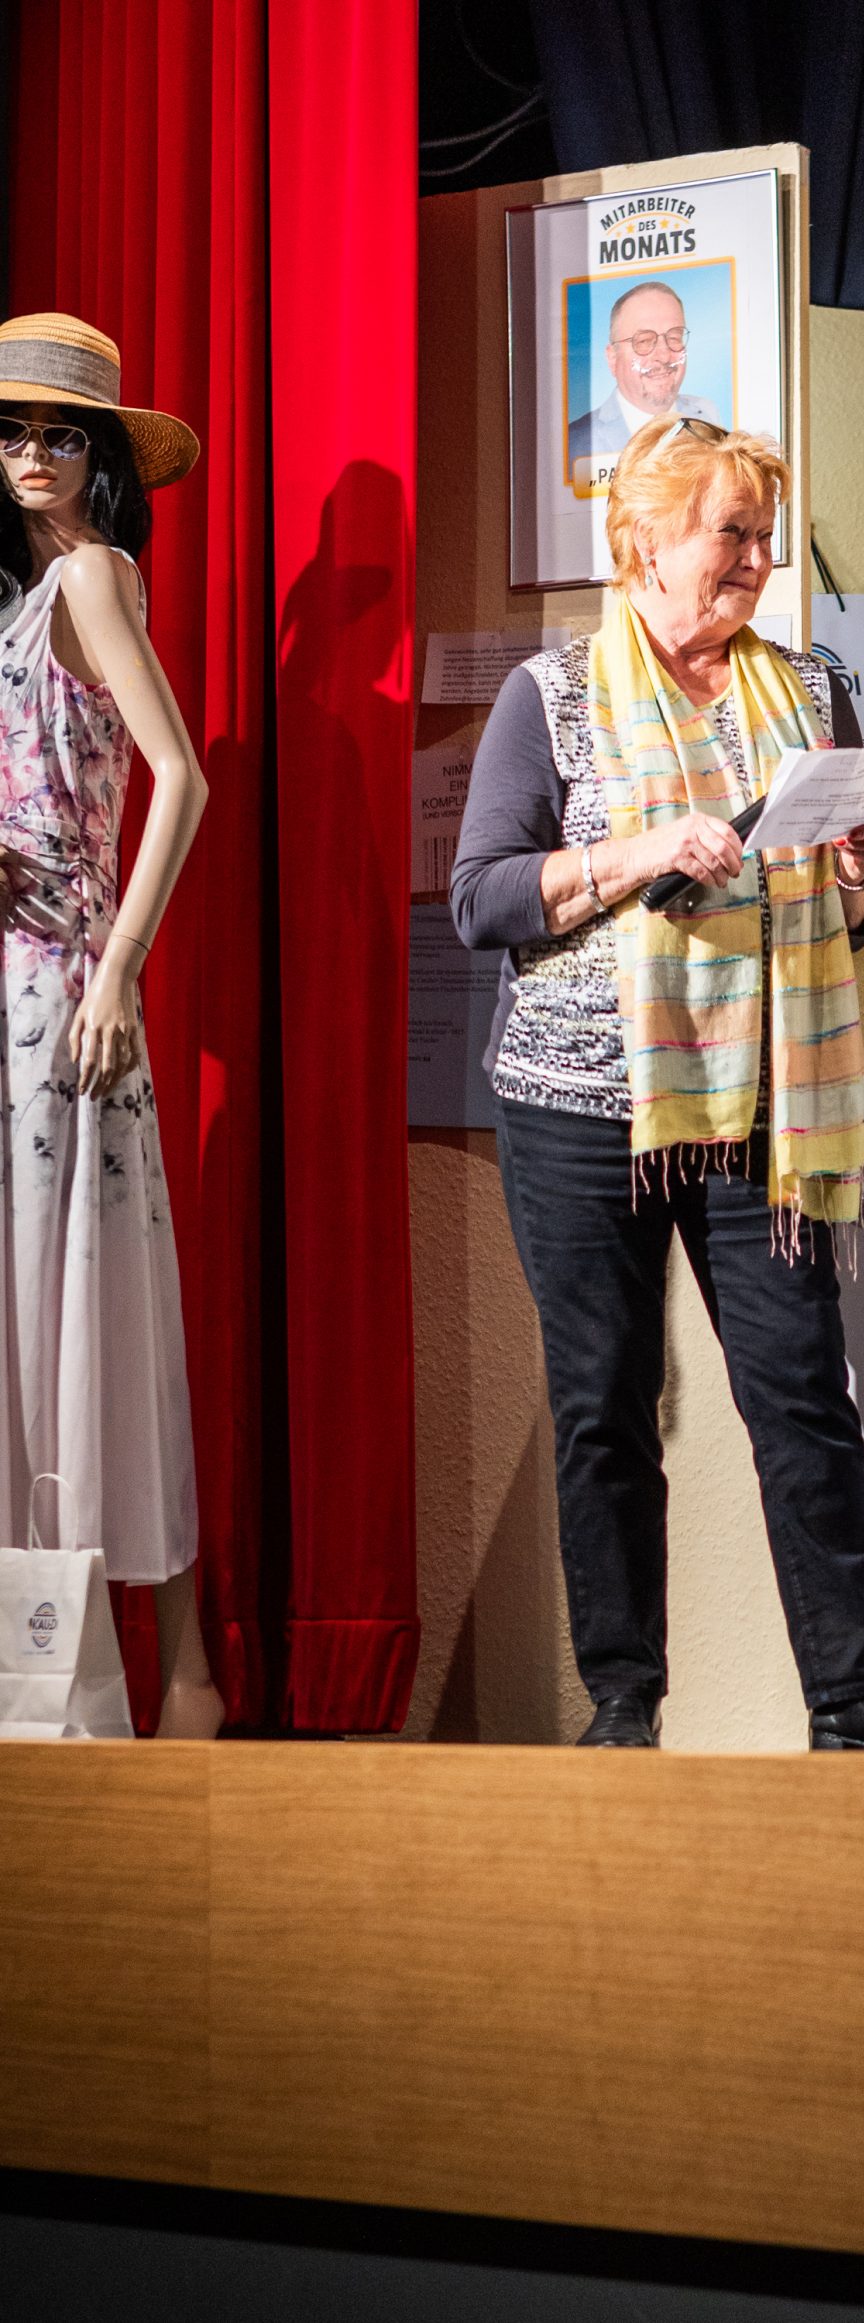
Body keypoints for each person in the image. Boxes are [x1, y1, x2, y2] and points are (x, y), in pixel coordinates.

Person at [453, 415, 864, 1753]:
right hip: (578, 1105)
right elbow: (481, 899)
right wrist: (636, 853)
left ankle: (856, 1704)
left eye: (763, 533)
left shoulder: (809, 690)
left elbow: (848, 920)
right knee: (603, 1406)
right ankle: (623, 1706)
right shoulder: (550, 694)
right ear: (644, 541)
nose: (754, 557)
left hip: (765, 1101)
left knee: (801, 1394)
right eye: (728, 532)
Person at [0, 311, 222, 1738]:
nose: (33, 456)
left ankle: (168, 1672)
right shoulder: (19, 591)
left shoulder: (87, 576)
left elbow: (178, 776)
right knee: (50, 1308)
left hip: (58, 991)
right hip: (12, 980)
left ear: (100, 458)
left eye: (60, 436)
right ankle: (143, 1669)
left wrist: (121, 966)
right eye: (13, 433)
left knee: (81, 1307)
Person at [567, 282, 720, 470]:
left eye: (674, 338)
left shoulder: (706, 414)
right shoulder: (577, 442)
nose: (663, 356)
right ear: (613, 358)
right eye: (644, 341)